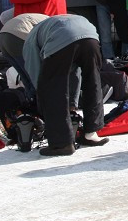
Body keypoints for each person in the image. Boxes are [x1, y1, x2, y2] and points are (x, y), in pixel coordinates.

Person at [23, 15, 109, 156]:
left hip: (63, 39)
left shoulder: (32, 37)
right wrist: (72, 101)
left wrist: (40, 91)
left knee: (51, 89)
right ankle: (91, 133)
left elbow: (35, 69)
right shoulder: (56, 21)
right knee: (92, 82)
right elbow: (75, 70)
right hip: (91, 38)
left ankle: (62, 144)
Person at [0, 13, 49, 100]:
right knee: (33, 75)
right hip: (18, 35)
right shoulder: (56, 26)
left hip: (2, 36)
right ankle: (38, 104)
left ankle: (30, 100)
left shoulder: (48, 19)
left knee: (24, 75)